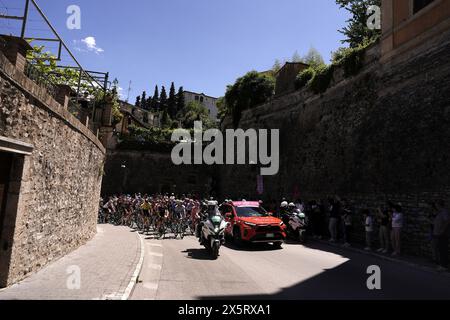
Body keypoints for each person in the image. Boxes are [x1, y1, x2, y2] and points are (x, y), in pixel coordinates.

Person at [432, 200, 450, 271]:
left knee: (443, 249)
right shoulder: (440, 212)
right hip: (438, 233)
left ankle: (444, 266)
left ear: (439, 205)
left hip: (442, 234)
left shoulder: (444, 211)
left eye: (436, 205)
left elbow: (447, 221)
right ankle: (442, 264)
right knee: (440, 249)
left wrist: (442, 230)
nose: (436, 206)